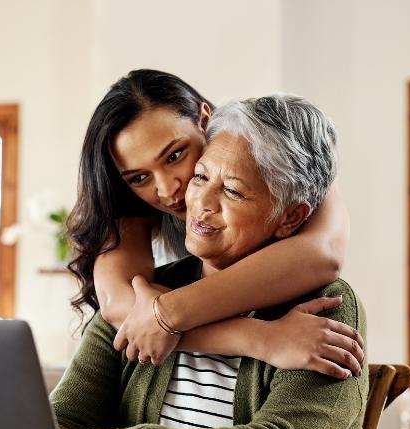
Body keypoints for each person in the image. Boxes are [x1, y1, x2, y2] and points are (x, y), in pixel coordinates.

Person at [52, 94, 372, 429]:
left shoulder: (330, 306)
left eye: (233, 191)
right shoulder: (147, 295)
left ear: (291, 217)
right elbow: (63, 417)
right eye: (201, 177)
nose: (198, 202)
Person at [67, 70, 363, 378]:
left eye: (175, 156)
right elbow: (121, 306)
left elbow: (322, 254)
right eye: (140, 177)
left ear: (204, 119)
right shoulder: (130, 207)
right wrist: (259, 338)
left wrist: (167, 313)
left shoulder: (281, 157)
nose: (168, 190)